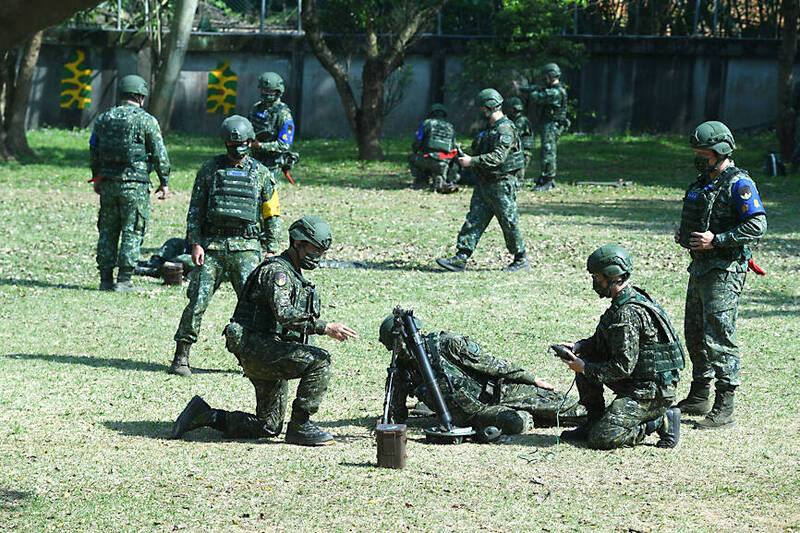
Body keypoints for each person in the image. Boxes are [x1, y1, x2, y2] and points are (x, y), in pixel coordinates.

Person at [170, 216, 358, 446]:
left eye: (321, 252)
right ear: (297, 244)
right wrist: (325, 327)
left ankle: (205, 415)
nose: (317, 256)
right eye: (314, 250)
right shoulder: (277, 273)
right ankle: (301, 426)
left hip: (271, 349)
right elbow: (285, 314)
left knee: (268, 426)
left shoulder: (293, 273)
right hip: (259, 348)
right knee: (320, 360)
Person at [169, 115, 281, 377]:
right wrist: (195, 243)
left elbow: (271, 214)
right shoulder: (210, 170)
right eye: (232, 145)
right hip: (213, 248)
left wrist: (271, 249)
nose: (236, 150)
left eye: (241, 144)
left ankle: (253, 357)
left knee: (254, 307)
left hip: (247, 249)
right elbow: (195, 210)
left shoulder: (263, 174)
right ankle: (181, 356)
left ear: (250, 142)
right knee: (197, 300)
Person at [674, 120, 767, 429]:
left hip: (724, 270)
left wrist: (718, 240)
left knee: (718, 336)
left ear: (720, 151)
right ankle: (699, 395)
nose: (698, 157)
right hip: (700, 266)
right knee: (694, 332)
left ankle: (724, 406)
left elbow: (757, 224)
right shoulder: (704, 181)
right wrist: (685, 233)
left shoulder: (739, 183)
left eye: (703, 152)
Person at [555, 245, 683, 449]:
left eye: (597, 277)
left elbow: (623, 367)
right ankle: (593, 420)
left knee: (603, 438)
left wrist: (585, 368)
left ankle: (659, 420)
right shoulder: (625, 302)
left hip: (649, 391)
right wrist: (579, 346)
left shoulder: (627, 313)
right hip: (639, 381)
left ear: (612, 276)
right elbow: (602, 342)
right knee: (586, 355)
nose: (594, 283)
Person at [378, 314, 585, 436]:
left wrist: (531, 379)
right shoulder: (401, 371)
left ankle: (602, 417)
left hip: (502, 392)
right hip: (475, 416)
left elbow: (492, 364)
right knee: (514, 422)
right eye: (397, 346)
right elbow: (395, 414)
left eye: (404, 342)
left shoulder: (448, 344)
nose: (403, 349)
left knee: (569, 409)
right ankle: (528, 418)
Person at [90, 74, 170, 292]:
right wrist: (164, 182)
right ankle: (124, 280)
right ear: (140, 96)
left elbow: (94, 150)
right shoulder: (146, 120)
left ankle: (105, 279)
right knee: (132, 230)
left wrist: (97, 177)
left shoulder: (104, 119)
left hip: (108, 183)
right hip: (135, 186)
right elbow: (159, 153)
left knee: (107, 230)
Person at [436, 88, 529, 273]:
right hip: (486, 182)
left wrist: (471, 161)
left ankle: (520, 259)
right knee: (474, 219)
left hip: (501, 183)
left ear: (489, 107)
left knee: (508, 222)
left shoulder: (505, 129)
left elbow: (497, 158)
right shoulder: (491, 129)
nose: (482, 112)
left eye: (483, 108)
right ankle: (461, 257)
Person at [516, 63, 569, 191]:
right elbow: (536, 90)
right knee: (546, 151)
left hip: (552, 126)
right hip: (549, 125)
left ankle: (548, 180)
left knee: (548, 152)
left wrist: (529, 91)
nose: (544, 79)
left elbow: (536, 97)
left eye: (546, 77)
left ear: (551, 76)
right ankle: (546, 177)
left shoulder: (555, 92)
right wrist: (523, 88)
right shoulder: (552, 89)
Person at [249, 72, 298, 181]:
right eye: (264, 90)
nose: (267, 93)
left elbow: (284, 145)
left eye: (270, 91)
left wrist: (261, 146)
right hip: (253, 160)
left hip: (272, 165)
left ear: (278, 92)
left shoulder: (284, 114)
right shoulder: (256, 108)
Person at [408, 103, 460, 193]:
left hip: (428, 159)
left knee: (412, 157)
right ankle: (441, 179)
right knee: (440, 169)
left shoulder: (427, 123)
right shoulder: (450, 127)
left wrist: (415, 150)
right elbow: (454, 147)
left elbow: (417, 141)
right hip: (444, 162)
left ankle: (422, 180)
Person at [505, 96, 534, 185]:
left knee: (517, 179)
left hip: (523, 153)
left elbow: (513, 135)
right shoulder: (518, 119)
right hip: (520, 152)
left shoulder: (521, 121)